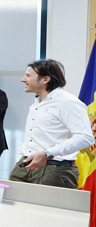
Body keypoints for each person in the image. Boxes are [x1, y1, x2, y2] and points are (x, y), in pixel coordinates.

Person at [9, 59, 95, 188]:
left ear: (45, 79)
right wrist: (21, 157)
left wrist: (47, 153)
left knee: (47, 208)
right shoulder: (36, 104)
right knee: (14, 204)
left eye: (28, 76)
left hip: (55, 169)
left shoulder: (67, 102)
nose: (23, 79)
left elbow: (85, 138)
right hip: (25, 165)